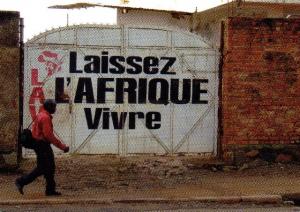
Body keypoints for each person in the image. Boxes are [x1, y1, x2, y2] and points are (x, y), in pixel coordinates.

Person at [15, 99, 69, 196]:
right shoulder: (45, 118)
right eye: (54, 107)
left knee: (50, 167)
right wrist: (62, 147)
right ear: (49, 107)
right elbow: (48, 135)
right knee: (42, 168)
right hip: (42, 145)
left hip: (39, 144)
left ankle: (50, 190)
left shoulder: (41, 114)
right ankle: (21, 181)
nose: (55, 109)